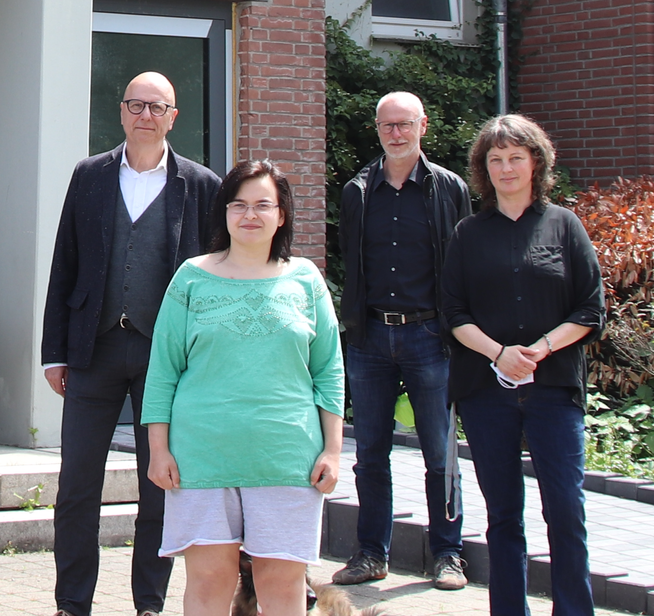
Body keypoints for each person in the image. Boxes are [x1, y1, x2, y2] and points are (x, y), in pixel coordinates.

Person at [42, 71, 221, 616]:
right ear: (121, 112)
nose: (145, 115)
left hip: (165, 359)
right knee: (76, 486)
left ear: (173, 116)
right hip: (92, 350)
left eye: (157, 107)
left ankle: (150, 602)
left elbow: (214, 278)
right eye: (135, 105)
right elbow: (65, 262)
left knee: (161, 483)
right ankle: (72, 602)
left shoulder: (202, 185)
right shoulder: (89, 175)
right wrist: (55, 351)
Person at [143, 160, 345, 616]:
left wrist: (332, 452)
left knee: (281, 583)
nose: (249, 215)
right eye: (238, 204)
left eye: (262, 205)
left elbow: (330, 371)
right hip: (201, 456)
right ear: (224, 212)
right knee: (209, 580)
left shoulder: (307, 279)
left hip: (288, 456)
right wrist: (159, 449)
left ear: (282, 214)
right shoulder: (191, 277)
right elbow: (163, 370)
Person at [437, 114, 605, 616]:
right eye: (496, 159)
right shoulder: (469, 233)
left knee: (566, 512)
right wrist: (500, 355)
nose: (506, 168)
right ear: (483, 170)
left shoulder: (564, 225)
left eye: (516, 157)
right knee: (504, 515)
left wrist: (541, 349)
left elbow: (591, 309)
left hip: (553, 389)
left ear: (537, 162)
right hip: (487, 393)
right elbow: (453, 313)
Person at [329, 92, 470, 591]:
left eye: (404, 124)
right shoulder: (357, 190)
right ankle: (371, 554)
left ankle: (448, 555)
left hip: (430, 335)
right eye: (387, 125)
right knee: (370, 455)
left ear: (422, 127)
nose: (395, 133)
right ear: (377, 129)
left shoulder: (448, 188)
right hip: (370, 337)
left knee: (440, 452)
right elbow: (352, 257)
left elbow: (462, 266)